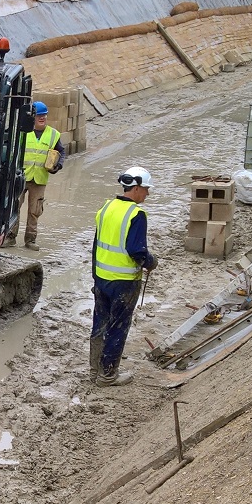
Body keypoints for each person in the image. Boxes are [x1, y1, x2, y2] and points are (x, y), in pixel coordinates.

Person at [89, 166, 157, 387]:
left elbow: (96, 246)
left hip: (102, 278)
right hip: (124, 282)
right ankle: (108, 375)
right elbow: (136, 250)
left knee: (100, 323)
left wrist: (95, 277)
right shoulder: (137, 214)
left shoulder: (106, 208)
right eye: (146, 189)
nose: (147, 193)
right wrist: (150, 262)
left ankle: (94, 369)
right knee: (118, 326)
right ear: (136, 188)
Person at [6, 101, 64, 249]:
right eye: (39, 115)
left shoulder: (53, 134)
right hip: (21, 176)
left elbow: (61, 152)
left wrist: (58, 165)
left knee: (35, 210)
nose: (42, 118)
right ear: (32, 117)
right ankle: (10, 237)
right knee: (14, 207)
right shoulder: (22, 132)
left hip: (39, 178)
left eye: (44, 115)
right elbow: (12, 150)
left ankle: (30, 240)